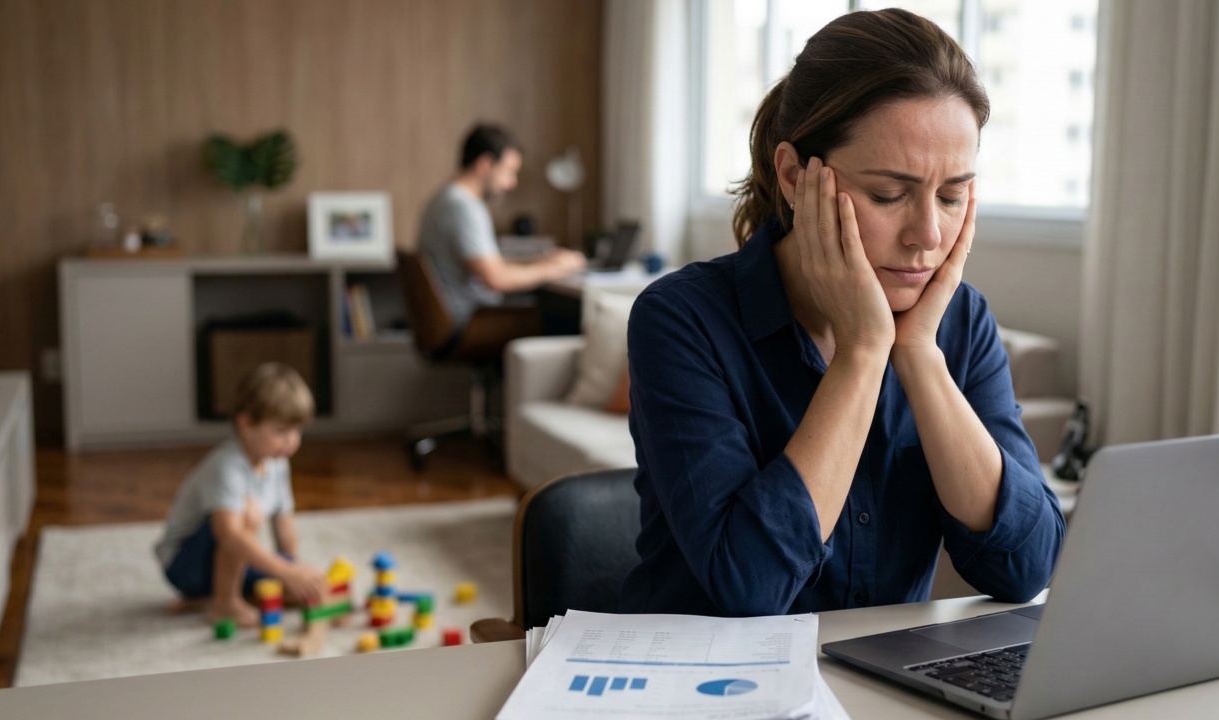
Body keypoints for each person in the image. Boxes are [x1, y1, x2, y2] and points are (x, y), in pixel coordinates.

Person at [619, 9, 1064, 617]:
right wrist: (861, 352)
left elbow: (1027, 568)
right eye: (888, 194)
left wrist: (919, 358)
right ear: (795, 177)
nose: (929, 235)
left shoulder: (961, 324)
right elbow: (750, 588)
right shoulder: (681, 320)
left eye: (953, 194)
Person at [154, 363, 329, 625]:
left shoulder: (277, 463)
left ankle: (212, 597)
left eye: (297, 431)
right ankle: (224, 604)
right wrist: (286, 571)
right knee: (249, 512)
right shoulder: (227, 466)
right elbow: (229, 534)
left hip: (228, 562)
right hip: (186, 567)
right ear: (246, 424)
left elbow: (285, 526)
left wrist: (293, 571)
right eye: (281, 431)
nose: (291, 441)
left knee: (304, 590)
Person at [416, 123, 585, 330]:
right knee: (572, 317)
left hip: (455, 316)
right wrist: (555, 268)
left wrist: (539, 259)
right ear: (485, 164)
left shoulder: (444, 198)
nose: (511, 183)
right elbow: (496, 278)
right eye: (508, 172)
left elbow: (485, 262)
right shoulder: (464, 207)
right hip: (471, 321)